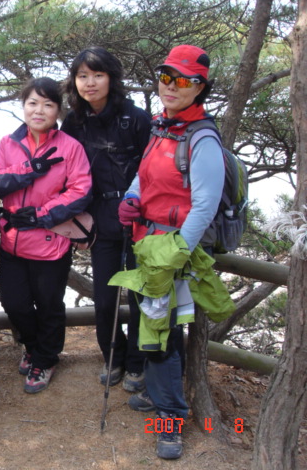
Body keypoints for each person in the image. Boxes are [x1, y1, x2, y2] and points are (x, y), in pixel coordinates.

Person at [117, 45, 225, 460]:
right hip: (149, 244)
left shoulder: (201, 138)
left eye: (182, 80)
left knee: (160, 332)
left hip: (170, 250)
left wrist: (178, 251)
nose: (171, 86)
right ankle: (161, 396)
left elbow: (205, 203)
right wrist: (130, 197)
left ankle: (171, 420)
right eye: (166, 77)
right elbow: (146, 178)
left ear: (200, 87)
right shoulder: (164, 127)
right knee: (155, 324)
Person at [0, 77, 91, 394]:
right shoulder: (8, 144)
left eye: (48, 104)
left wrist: (43, 215)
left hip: (51, 242)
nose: (39, 110)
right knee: (14, 303)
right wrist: (30, 168)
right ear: (23, 107)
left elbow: (80, 190)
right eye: (32, 102)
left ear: (58, 110)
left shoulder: (70, 147)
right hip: (13, 241)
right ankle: (31, 345)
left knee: (48, 304)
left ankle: (45, 359)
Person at [61, 47, 151, 392]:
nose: (90, 82)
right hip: (99, 219)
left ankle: (138, 363)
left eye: (97, 75)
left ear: (111, 78)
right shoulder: (73, 122)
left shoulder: (136, 118)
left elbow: (152, 169)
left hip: (138, 218)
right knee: (105, 297)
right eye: (82, 76)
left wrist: (139, 204)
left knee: (142, 296)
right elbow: (67, 172)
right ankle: (113, 355)